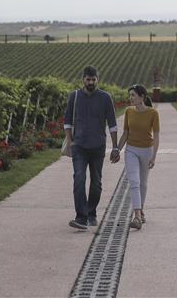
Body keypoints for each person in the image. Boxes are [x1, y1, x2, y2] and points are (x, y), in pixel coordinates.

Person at [64, 65, 119, 230]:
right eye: (88, 79)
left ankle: (91, 212)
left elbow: (113, 125)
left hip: (98, 147)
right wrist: (71, 142)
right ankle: (81, 217)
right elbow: (67, 122)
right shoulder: (74, 97)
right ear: (83, 79)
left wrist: (115, 147)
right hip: (79, 146)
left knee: (96, 183)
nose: (90, 82)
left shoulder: (105, 98)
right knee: (79, 179)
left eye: (93, 79)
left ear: (98, 80)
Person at [115, 84, 159, 230]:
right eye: (130, 95)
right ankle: (137, 217)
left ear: (142, 97)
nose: (131, 98)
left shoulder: (153, 113)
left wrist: (153, 156)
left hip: (147, 150)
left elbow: (156, 136)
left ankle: (140, 210)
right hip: (131, 150)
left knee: (143, 184)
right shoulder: (128, 111)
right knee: (134, 181)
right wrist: (117, 150)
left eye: (133, 95)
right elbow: (125, 134)